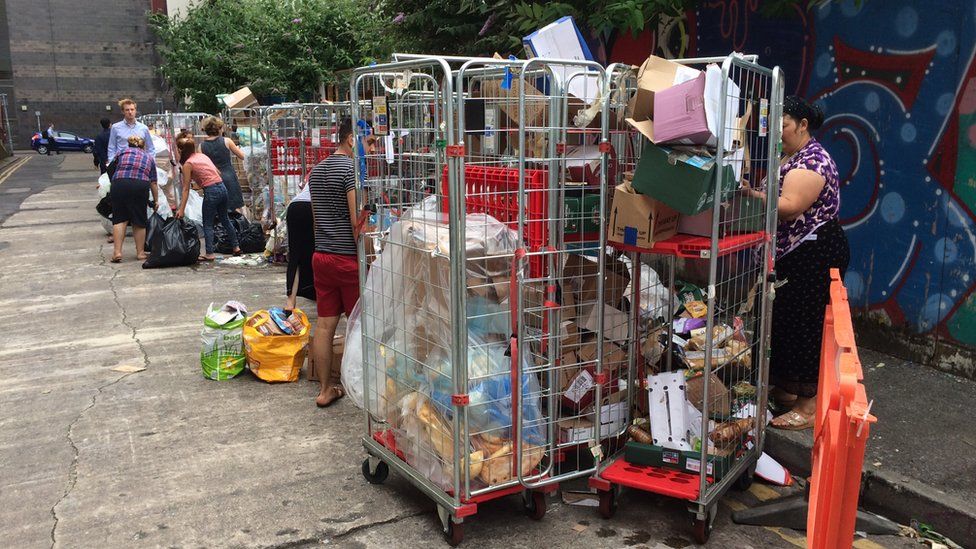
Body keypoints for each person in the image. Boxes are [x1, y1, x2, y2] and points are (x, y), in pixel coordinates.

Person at [744, 96, 850, 430]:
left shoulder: (813, 160)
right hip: (794, 254)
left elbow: (788, 205)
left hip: (813, 254)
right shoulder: (790, 155)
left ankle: (808, 406)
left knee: (806, 325)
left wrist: (751, 195)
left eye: (785, 124)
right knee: (785, 320)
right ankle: (788, 389)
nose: (779, 131)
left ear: (803, 125)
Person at [308, 118, 362, 408]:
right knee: (359, 325)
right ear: (352, 139)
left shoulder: (316, 172)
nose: (372, 147)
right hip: (347, 260)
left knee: (325, 325)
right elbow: (357, 224)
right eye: (370, 141)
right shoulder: (351, 171)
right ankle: (360, 386)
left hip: (322, 256)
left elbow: (317, 220)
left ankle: (325, 389)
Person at [174, 136, 241, 261]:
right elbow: (218, 173)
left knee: (208, 223)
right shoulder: (203, 156)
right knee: (225, 219)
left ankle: (209, 253)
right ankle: (236, 247)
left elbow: (186, 189)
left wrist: (181, 209)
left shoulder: (188, 164)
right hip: (222, 187)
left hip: (211, 191)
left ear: (180, 150)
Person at [109, 136, 159, 263]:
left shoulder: (121, 153)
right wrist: (156, 200)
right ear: (143, 147)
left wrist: (114, 181)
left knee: (120, 219)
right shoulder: (149, 158)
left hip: (119, 184)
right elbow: (153, 182)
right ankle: (140, 253)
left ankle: (117, 252)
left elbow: (110, 169)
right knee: (139, 220)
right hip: (139, 185)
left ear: (129, 145)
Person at [199, 117, 246, 212]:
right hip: (229, 176)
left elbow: (202, 166)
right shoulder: (227, 141)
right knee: (234, 207)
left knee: (218, 208)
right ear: (219, 128)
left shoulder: (201, 146)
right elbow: (242, 156)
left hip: (212, 180)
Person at [108, 98, 154, 164]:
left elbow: (151, 148)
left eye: (132, 109)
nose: (130, 112)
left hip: (140, 163)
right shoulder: (115, 127)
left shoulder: (144, 128)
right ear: (123, 111)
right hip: (121, 164)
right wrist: (111, 163)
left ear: (135, 110)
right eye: (127, 110)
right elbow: (111, 147)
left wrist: (150, 162)